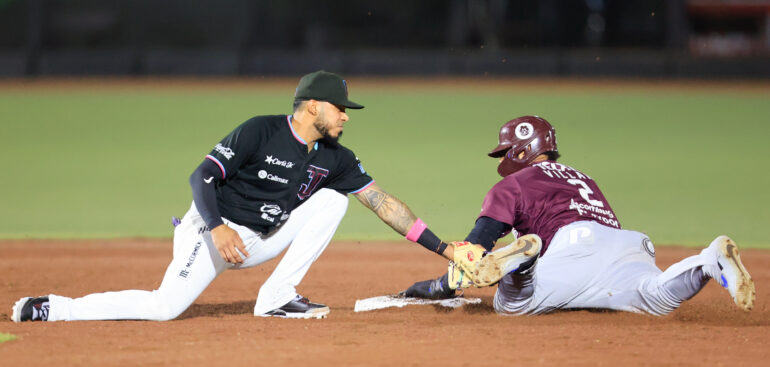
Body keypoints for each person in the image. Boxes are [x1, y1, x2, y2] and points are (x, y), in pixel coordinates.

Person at [11, 70, 470, 321]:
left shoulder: (335, 157)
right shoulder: (261, 130)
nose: (346, 117)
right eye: (340, 108)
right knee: (165, 307)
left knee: (334, 199)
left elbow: (382, 203)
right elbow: (201, 176)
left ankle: (277, 296)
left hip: (262, 238)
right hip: (211, 231)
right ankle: (54, 307)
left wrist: (446, 248)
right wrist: (216, 228)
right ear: (313, 105)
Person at [403, 115, 755, 316]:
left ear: (523, 151)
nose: (501, 161)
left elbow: (474, 253)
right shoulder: (584, 178)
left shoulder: (515, 185)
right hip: (627, 246)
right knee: (657, 297)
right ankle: (709, 262)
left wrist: (436, 286)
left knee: (510, 306)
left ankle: (523, 262)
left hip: (569, 251)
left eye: (505, 153)